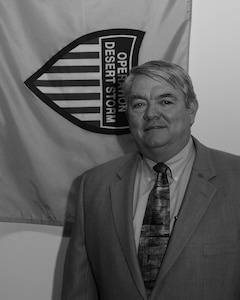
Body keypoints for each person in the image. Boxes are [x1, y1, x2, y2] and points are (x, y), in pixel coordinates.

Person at [61, 60, 240, 300]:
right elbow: (79, 289)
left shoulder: (235, 178)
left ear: (191, 109)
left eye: (165, 101)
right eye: (139, 104)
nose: (151, 113)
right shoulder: (94, 186)